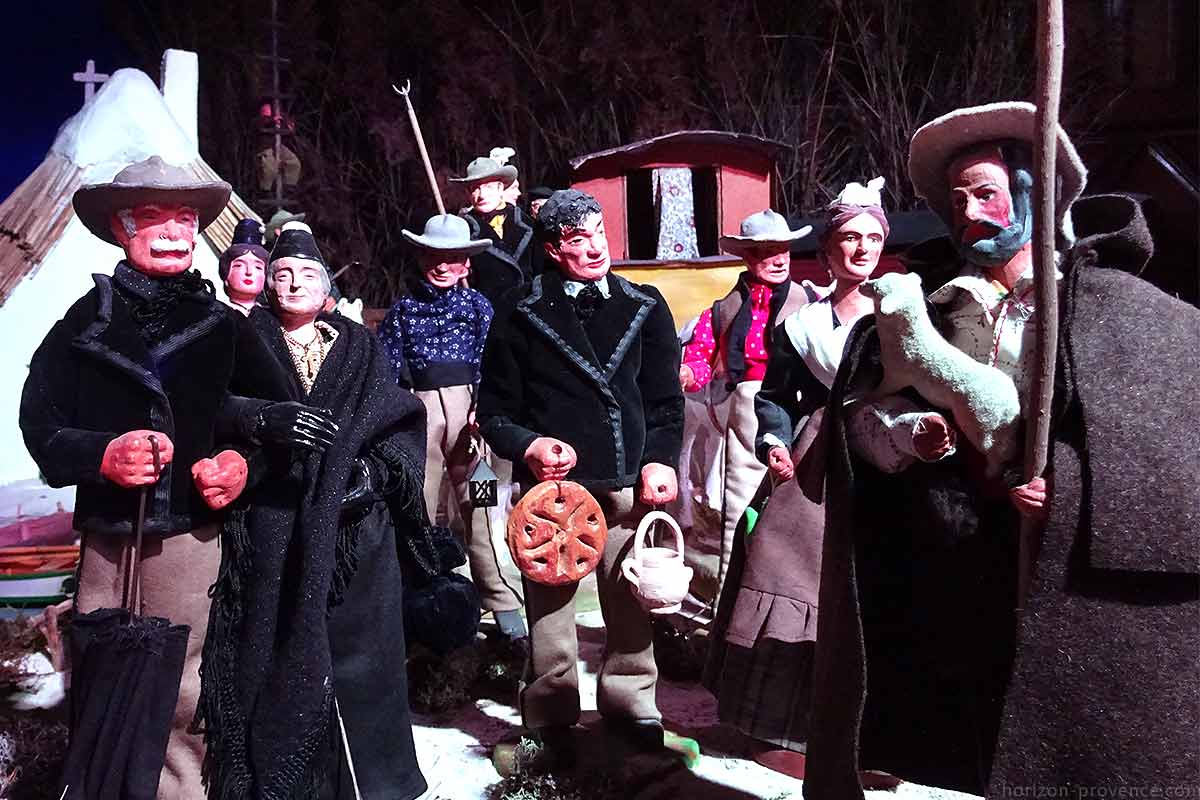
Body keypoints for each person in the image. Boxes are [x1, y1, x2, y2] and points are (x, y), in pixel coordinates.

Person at [805, 102, 1200, 798]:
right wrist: (901, 437)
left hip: (1066, 584)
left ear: (1034, 195)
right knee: (981, 741)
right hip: (957, 575)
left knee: (1067, 748)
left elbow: (1161, 454)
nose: (968, 212)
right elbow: (859, 420)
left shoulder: (1111, 308)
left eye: (985, 192)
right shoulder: (928, 306)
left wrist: (1067, 490)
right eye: (956, 199)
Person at [19, 156, 335, 799]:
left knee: (185, 680)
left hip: (191, 538)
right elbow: (40, 420)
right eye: (151, 217)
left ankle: (182, 790)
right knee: (102, 666)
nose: (172, 231)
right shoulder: (85, 324)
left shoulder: (225, 328)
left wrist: (244, 465)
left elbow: (279, 422)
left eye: (185, 218)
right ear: (120, 229)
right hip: (109, 538)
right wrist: (100, 455)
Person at [704, 179, 941, 784]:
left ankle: (879, 738)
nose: (859, 250)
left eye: (870, 239)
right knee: (796, 578)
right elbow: (778, 396)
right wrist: (775, 441)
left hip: (888, 461)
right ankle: (792, 729)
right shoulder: (803, 323)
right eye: (847, 239)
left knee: (875, 592)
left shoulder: (906, 314)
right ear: (829, 251)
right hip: (815, 466)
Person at [198, 221, 429, 800]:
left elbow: (399, 420)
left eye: (306, 274)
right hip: (274, 522)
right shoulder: (242, 339)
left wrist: (375, 476)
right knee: (273, 650)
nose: (293, 283)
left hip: (356, 533)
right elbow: (214, 407)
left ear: (326, 286)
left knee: (366, 661)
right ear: (267, 284)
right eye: (281, 274)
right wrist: (258, 424)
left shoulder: (359, 346)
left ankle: (375, 781)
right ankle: (287, 780)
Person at [476, 189, 684, 757]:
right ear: (551, 248)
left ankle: (632, 708)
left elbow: (665, 400)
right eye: (577, 239)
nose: (595, 246)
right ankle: (549, 718)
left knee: (629, 600)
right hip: (554, 497)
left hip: (627, 485)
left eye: (598, 232)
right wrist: (531, 445)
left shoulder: (645, 305)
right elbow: (494, 412)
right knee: (550, 615)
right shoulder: (521, 312)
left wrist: (660, 459)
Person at [378, 213, 527, 642]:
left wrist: (486, 407)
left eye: (453, 258)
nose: (442, 266)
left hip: (471, 427)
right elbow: (389, 367)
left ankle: (499, 597)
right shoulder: (404, 310)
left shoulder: (480, 308)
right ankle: (419, 597)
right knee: (417, 506)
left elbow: (495, 365)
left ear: (466, 264)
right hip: (419, 418)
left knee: (480, 507)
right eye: (433, 256)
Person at [678, 209, 813, 602]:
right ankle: (732, 599)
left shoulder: (809, 300)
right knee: (739, 506)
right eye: (764, 251)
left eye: (782, 249)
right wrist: (690, 371)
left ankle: (794, 596)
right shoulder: (726, 308)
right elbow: (701, 352)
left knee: (797, 506)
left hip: (800, 404)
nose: (777, 259)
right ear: (748, 258)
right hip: (748, 407)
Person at [451, 156, 536, 305]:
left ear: (500, 188)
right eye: (474, 189)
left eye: (488, 187)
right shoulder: (461, 231)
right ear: (467, 194)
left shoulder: (527, 223)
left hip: (529, 311)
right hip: (489, 313)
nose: (481, 195)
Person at [219, 218, 268, 315]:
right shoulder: (216, 315)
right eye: (239, 265)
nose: (249, 272)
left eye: (258, 267)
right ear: (226, 274)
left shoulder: (272, 320)